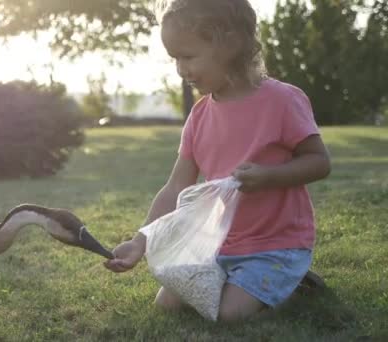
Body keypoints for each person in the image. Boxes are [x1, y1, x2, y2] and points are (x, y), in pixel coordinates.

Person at [104, 0, 331, 322]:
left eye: (188, 56)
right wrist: (140, 240)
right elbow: (176, 187)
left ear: (231, 45)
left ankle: (294, 285)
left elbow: (319, 162)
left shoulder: (282, 100)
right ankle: (252, 285)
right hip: (219, 245)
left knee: (228, 315)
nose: (180, 69)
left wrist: (270, 176)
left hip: (275, 244)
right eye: (174, 59)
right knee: (168, 303)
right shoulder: (199, 116)